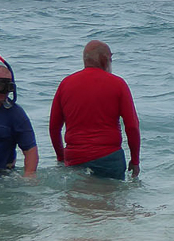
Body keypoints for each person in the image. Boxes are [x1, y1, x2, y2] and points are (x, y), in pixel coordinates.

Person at [49, 40, 141, 179]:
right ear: (104, 59)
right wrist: (135, 161)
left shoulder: (66, 84)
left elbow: (54, 127)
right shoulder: (118, 84)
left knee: (76, 200)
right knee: (110, 198)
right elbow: (132, 126)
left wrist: (62, 158)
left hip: (75, 157)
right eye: (110, 59)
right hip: (109, 158)